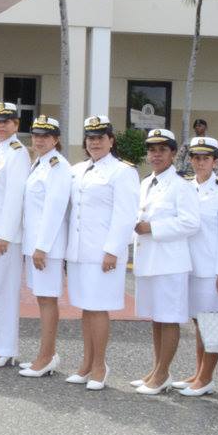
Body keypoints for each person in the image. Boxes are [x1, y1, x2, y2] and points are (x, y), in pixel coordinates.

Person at [64, 115, 139, 391]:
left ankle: (100, 365)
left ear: (111, 141)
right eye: (91, 138)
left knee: (98, 310)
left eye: (100, 138)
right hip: (79, 251)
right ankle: (86, 363)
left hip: (103, 253)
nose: (95, 142)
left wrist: (113, 251)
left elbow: (125, 214)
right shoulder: (78, 169)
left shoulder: (122, 171)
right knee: (85, 308)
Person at [131, 128, 200, 395]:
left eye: (162, 150)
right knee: (157, 319)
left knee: (169, 319)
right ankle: (157, 369)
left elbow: (191, 223)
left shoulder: (181, 186)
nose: (156, 155)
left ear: (173, 154)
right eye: (152, 150)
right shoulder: (146, 182)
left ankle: (161, 375)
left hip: (170, 263)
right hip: (150, 260)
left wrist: (153, 228)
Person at [173, 136, 218, 397]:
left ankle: (206, 378)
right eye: (196, 158)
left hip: (213, 270)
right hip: (190, 267)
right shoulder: (186, 187)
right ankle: (199, 372)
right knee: (199, 323)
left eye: (205, 158)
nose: (200, 163)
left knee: (214, 323)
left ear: (215, 162)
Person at [18, 115, 72, 378]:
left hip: (46, 247)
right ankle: (45, 354)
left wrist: (42, 247)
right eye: (36, 135)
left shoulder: (57, 166)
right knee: (42, 298)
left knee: (48, 299)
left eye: (45, 136)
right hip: (35, 245)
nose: (39, 140)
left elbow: (55, 209)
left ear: (56, 139)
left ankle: (47, 356)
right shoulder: (38, 164)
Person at [0, 101, 30, 367]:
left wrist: (5, 234)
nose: (0, 125)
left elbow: (14, 197)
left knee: (6, 291)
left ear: (16, 124)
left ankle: (7, 349)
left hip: (4, 236)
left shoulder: (17, 152)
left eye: (5, 121)